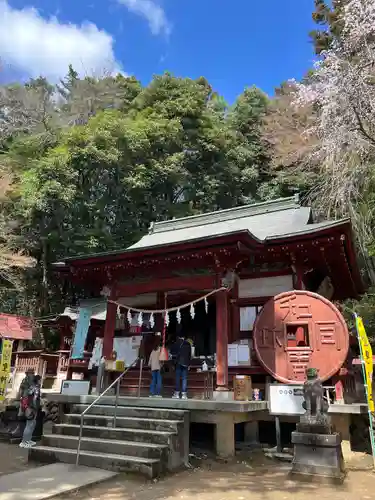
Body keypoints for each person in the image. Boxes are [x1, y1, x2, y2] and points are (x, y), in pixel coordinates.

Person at [19, 373, 41, 448]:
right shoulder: (35, 388)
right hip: (31, 408)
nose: (40, 382)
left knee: (32, 424)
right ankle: (24, 442)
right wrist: (35, 408)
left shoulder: (30, 388)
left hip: (28, 407)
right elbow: (35, 399)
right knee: (29, 425)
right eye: (40, 380)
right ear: (37, 381)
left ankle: (28, 440)